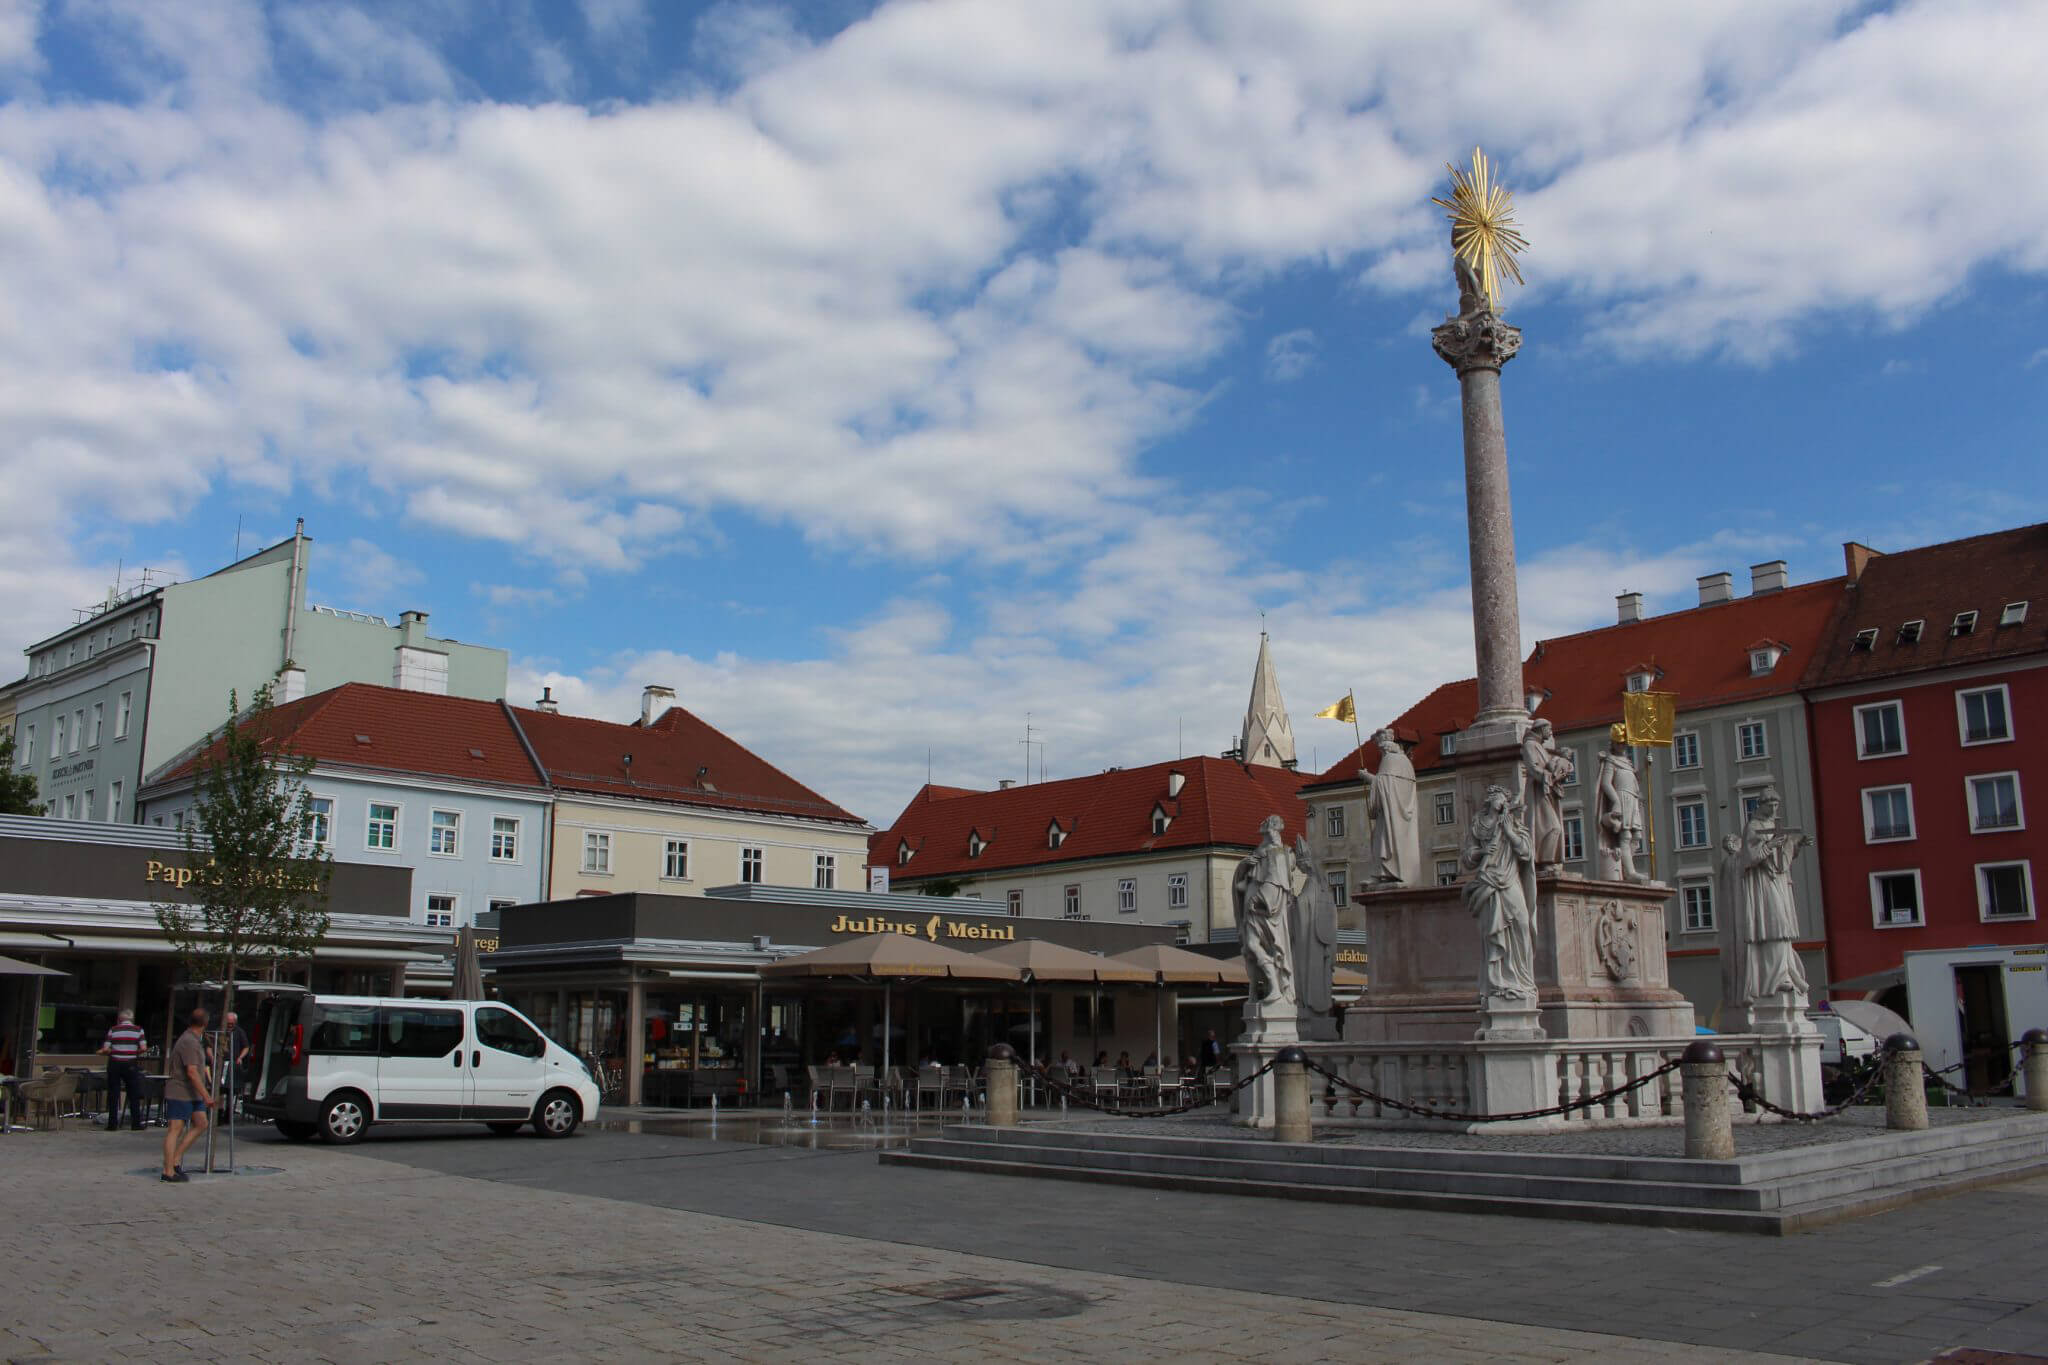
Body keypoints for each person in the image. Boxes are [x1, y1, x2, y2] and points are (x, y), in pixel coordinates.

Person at [161, 1008, 213, 1183]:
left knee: (201, 1123)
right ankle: (168, 1171)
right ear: (205, 1024)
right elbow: (191, 1071)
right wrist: (206, 1095)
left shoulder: (196, 1040)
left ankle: (175, 1159)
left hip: (193, 1093)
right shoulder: (189, 1041)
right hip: (180, 1090)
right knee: (175, 1128)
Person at [98, 1009, 147, 1132]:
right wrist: (133, 1052)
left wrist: (114, 1051)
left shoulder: (113, 1030)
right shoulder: (138, 1030)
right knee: (133, 1094)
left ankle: (112, 1124)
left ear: (120, 1019)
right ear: (131, 1019)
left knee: (114, 1094)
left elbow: (106, 1049)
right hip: (130, 1063)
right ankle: (136, 1123)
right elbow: (143, 1048)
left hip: (115, 1063)